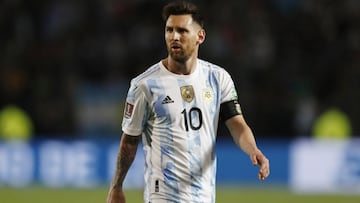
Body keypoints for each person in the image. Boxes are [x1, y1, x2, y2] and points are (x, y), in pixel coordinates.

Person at [107, 1, 270, 203]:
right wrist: (117, 186)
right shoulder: (145, 85)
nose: (174, 36)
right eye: (169, 30)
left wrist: (253, 149)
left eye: (182, 31)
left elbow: (237, 124)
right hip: (163, 195)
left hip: (204, 195)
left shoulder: (218, 79)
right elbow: (130, 140)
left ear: (200, 36)